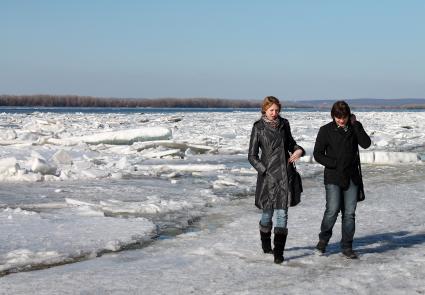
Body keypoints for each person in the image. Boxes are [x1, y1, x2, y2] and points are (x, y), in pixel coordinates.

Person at [248, 96, 305, 264]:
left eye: (277, 110)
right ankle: (266, 244)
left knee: (282, 214)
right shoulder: (258, 127)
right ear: (264, 110)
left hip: (284, 174)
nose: (274, 113)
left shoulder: (284, 124)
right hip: (267, 178)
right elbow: (251, 156)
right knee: (267, 214)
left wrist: (298, 150)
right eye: (271, 110)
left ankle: (278, 252)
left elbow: (291, 143)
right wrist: (264, 170)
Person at [313, 100, 371, 259]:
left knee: (349, 214)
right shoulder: (325, 130)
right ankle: (323, 241)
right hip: (333, 177)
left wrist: (357, 125)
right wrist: (334, 163)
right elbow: (317, 154)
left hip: (352, 177)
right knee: (332, 211)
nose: (341, 120)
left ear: (348, 116)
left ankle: (347, 246)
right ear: (333, 116)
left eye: (344, 117)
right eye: (338, 117)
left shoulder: (354, 128)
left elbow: (366, 144)